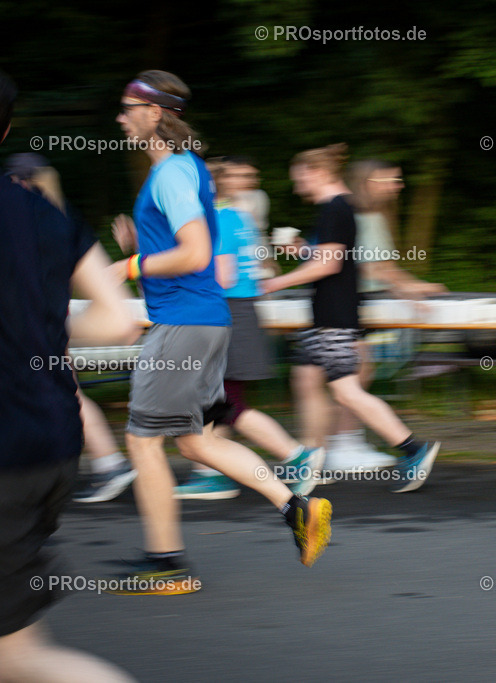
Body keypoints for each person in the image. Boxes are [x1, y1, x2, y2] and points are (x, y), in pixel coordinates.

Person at [110, 70, 332, 591]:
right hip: (206, 320)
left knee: (143, 443)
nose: (119, 118)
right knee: (193, 442)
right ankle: (297, 509)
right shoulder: (187, 170)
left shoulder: (170, 174)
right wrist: (137, 250)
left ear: (156, 113)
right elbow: (187, 251)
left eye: (127, 108)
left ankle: (166, 566)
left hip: (184, 325)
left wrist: (129, 268)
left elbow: (195, 253)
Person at [0, 69, 136, 681]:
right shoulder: (47, 215)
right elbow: (116, 321)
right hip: (49, 445)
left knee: (20, 659)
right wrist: (37, 325)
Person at [262, 144, 439, 493]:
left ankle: (414, 451)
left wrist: (274, 281)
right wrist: (300, 251)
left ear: (318, 173)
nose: (298, 187)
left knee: (346, 392)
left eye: (300, 179)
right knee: (305, 380)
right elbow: (332, 256)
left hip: (334, 315)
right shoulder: (340, 207)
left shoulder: (335, 207)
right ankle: (311, 462)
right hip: (325, 314)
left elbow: (330, 264)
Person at [173, 157, 325, 500]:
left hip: (227, 314)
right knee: (221, 401)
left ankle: (297, 456)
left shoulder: (217, 219)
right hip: (240, 313)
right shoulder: (239, 216)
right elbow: (253, 268)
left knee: (227, 402)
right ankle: (214, 473)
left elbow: (222, 277)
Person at [4, 153, 138, 503]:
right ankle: (109, 462)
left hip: (30, 342)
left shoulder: (23, 223)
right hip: (50, 332)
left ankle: (109, 463)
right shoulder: (62, 221)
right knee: (69, 392)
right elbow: (116, 315)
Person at [318, 159, 446, 473]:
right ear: (368, 182)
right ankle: (344, 446)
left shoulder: (370, 214)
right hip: (345, 305)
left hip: (351, 304)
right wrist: (410, 290)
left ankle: (346, 443)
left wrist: (413, 285)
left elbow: (382, 266)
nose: (397, 185)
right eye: (389, 179)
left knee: (355, 376)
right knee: (350, 379)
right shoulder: (362, 215)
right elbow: (375, 268)